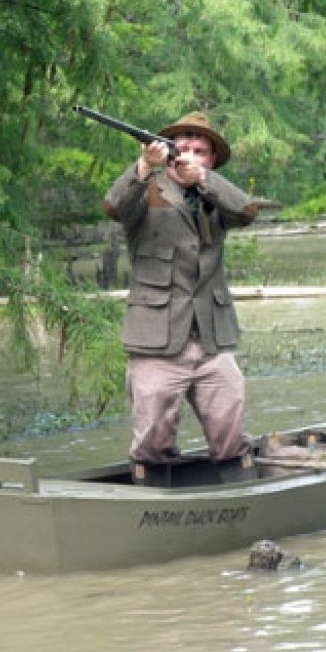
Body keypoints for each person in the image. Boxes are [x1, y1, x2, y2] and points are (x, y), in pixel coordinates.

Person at [103, 111, 260, 485]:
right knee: (153, 440)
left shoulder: (215, 195)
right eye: (182, 148)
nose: (189, 154)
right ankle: (156, 510)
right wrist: (143, 165)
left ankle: (241, 501)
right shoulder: (147, 190)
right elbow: (114, 206)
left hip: (212, 339)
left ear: (210, 160)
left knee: (230, 434)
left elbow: (246, 212)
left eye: (199, 150)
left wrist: (204, 180)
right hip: (157, 341)